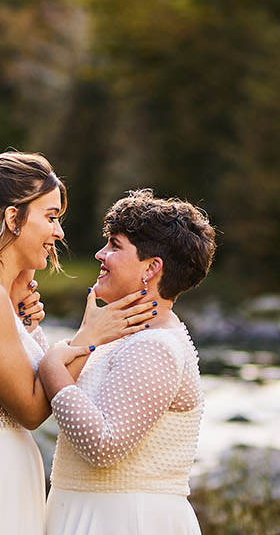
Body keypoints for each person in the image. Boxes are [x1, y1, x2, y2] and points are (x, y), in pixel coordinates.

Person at [0, 152, 150, 535]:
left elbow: (29, 378)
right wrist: (90, 337)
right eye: (51, 217)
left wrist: (22, 318)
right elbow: (33, 409)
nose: (60, 232)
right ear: (12, 218)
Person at [37, 190, 217, 535]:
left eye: (115, 246)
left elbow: (103, 446)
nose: (99, 254)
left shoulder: (156, 346)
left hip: (125, 520)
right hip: (90, 512)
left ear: (151, 268)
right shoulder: (119, 337)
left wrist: (51, 368)